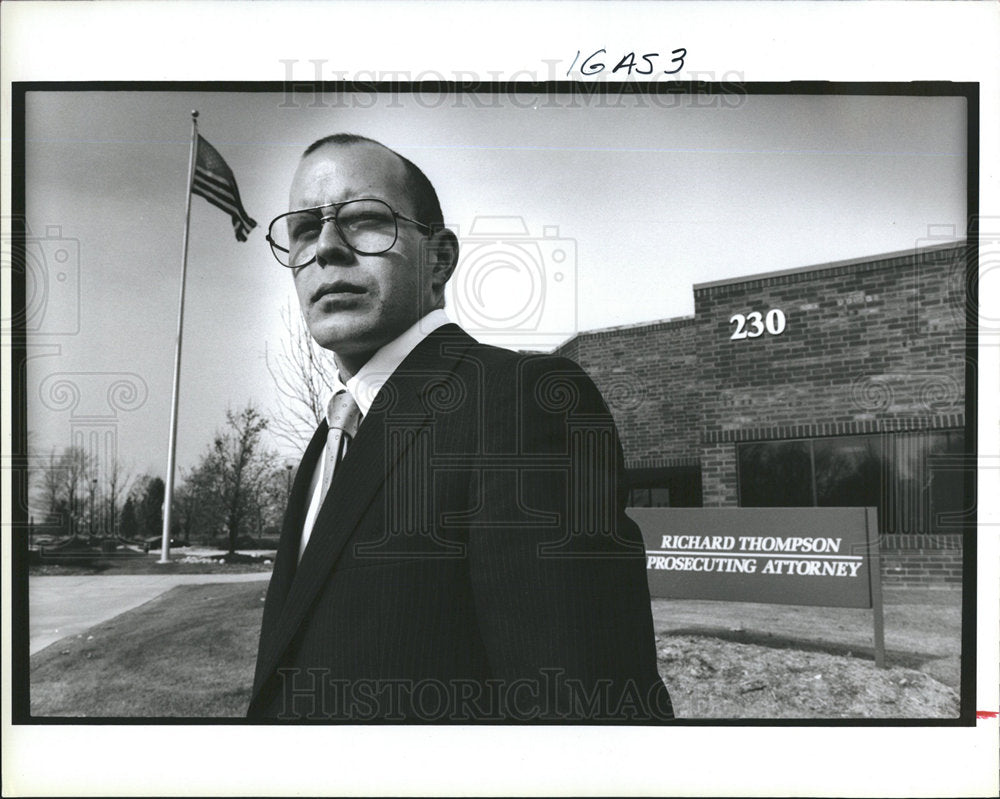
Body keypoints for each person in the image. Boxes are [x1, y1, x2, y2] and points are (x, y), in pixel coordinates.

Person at [248, 134, 673, 722]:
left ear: (439, 259)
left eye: (365, 220)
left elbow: (585, 719)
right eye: (302, 230)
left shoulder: (521, 404)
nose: (325, 249)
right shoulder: (332, 437)